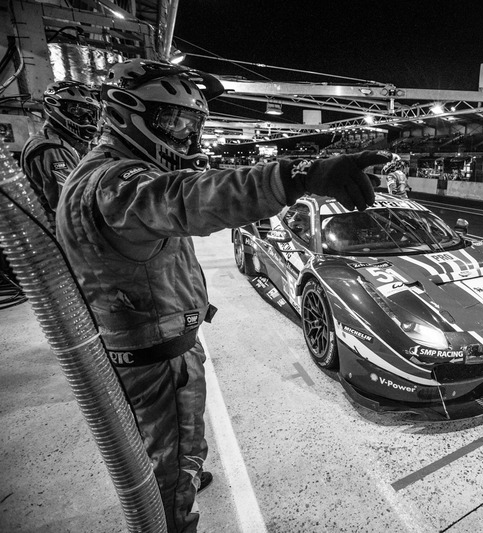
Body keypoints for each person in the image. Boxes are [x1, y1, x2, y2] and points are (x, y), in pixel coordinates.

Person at [55, 58, 392, 533]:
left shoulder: (98, 172)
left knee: (169, 456)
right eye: (171, 121)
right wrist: (296, 178)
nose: (185, 137)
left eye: (193, 124)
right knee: (169, 468)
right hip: (156, 361)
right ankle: (175, 510)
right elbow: (189, 196)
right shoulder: (116, 182)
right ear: (126, 111)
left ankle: (180, 480)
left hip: (148, 347)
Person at [21, 80, 100, 229]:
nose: (87, 120)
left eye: (91, 114)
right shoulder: (51, 148)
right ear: (55, 108)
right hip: (55, 235)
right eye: (77, 111)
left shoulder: (66, 142)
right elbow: (70, 206)